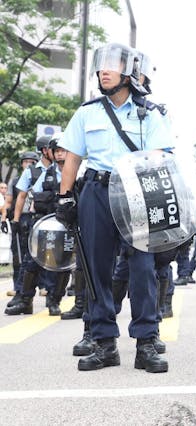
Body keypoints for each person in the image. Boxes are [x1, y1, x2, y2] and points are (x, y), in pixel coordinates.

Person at [55, 42, 172, 372]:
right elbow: (73, 157)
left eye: (113, 64)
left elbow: (162, 158)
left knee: (143, 268)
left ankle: (146, 342)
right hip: (96, 190)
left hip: (137, 192)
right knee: (96, 268)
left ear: (130, 70)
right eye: (101, 64)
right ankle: (104, 342)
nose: (104, 70)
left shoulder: (149, 113)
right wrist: (66, 196)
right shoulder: (86, 112)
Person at [5, 136, 70, 316]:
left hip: (66, 225)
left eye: (62, 151)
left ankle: (54, 301)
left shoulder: (75, 172)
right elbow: (27, 195)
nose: (58, 155)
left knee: (62, 263)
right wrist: (16, 220)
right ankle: (25, 300)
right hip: (43, 223)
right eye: (56, 151)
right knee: (31, 261)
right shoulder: (46, 173)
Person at [1, 151, 39, 301]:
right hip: (20, 218)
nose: (28, 164)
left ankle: (43, 286)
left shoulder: (40, 177)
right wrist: (5, 220)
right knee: (18, 255)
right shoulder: (15, 181)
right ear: (22, 164)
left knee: (38, 254)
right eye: (25, 162)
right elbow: (8, 202)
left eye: (32, 162)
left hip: (36, 218)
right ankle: (17, 287)